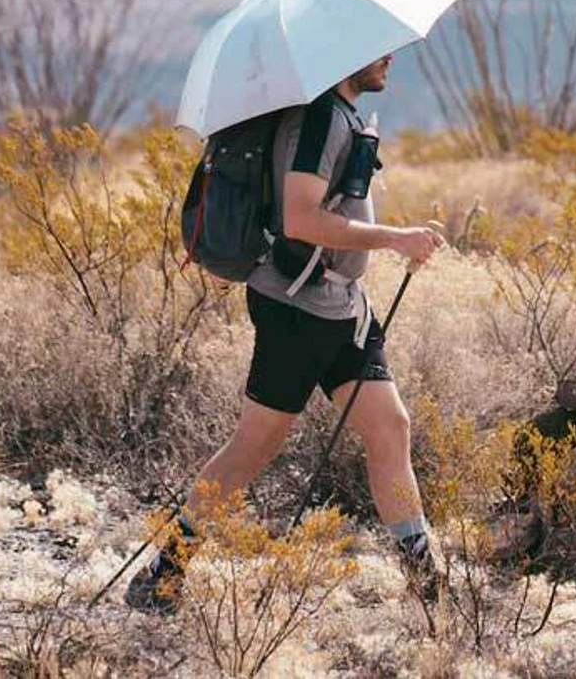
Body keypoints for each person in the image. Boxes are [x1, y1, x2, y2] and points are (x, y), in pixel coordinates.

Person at [126, 52, 445, 613]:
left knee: (390, 426)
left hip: (343, 309)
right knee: (255, 446)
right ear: (347, 49)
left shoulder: (340, 115)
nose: (389, 56)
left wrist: (391, 241)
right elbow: (301, 220)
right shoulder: (318, 119)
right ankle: (165, 570)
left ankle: (427, 580)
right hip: (296, 310)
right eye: (378, 48)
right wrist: (396, 238)